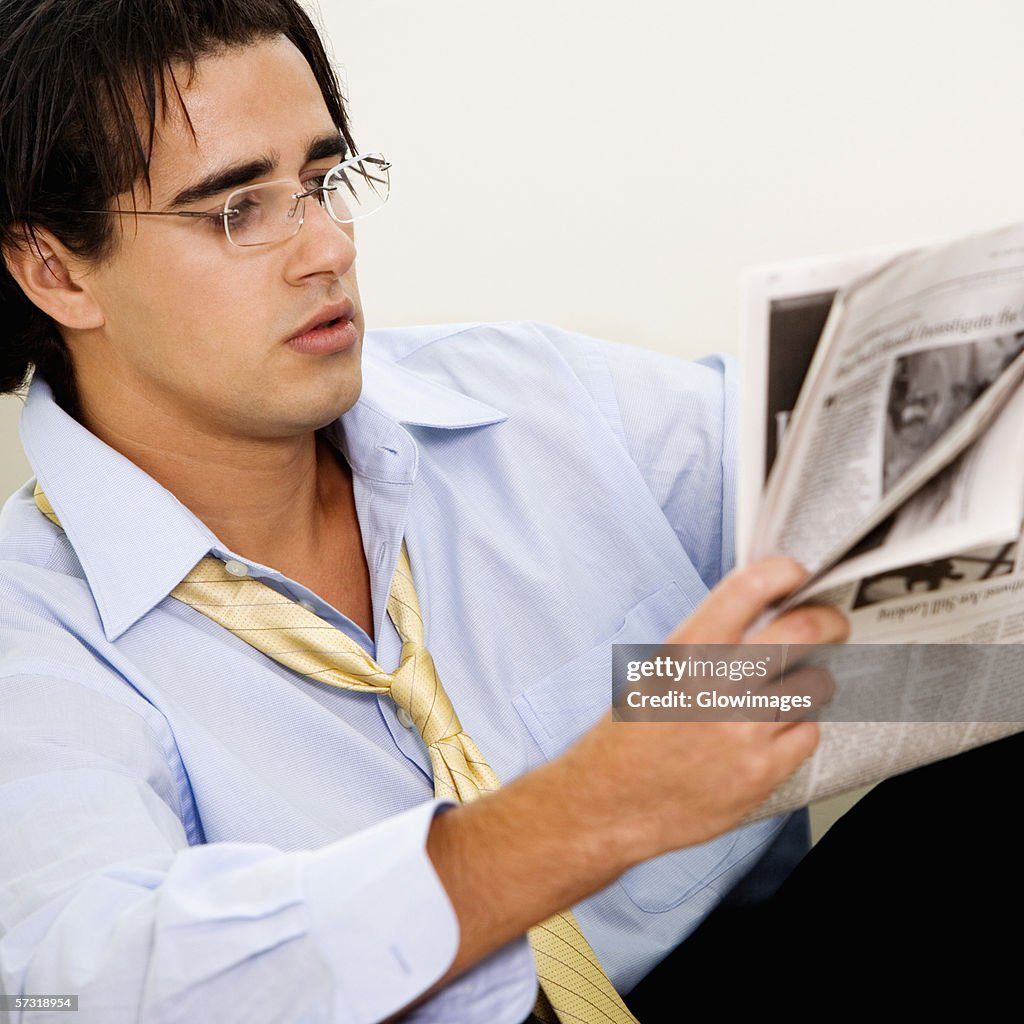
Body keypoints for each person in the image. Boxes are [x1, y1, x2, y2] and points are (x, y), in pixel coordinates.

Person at [9, 0, 1008, 1020]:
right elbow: (87, 979)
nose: (327, 249)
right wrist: (583, 811)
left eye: (322, 181)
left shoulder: (529, 396)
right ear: (55, 269)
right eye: (237, 208)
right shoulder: (31, 637)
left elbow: (878, 523)